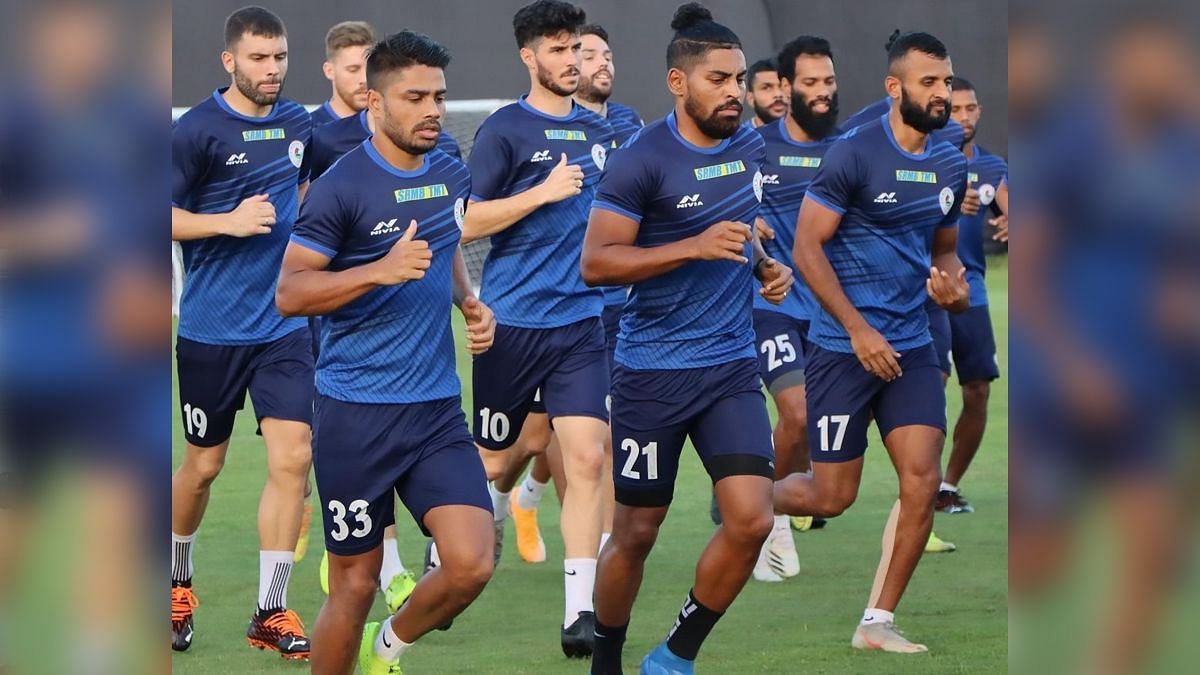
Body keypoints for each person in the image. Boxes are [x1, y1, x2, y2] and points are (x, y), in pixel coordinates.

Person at [275, 30, 499, 675]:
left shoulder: (449, 166)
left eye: (439, 96)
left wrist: (467, 300)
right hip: (356, 416)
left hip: (435, 412)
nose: (432, 109)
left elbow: (445, 237)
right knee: (354, 582)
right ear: (375, 101)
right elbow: (290, 291)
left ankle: (386, 648)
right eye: (415, 97)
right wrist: (379, 270)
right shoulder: (342, 187)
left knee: (472, 562)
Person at [582, 5, 793, 673]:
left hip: (730, 365)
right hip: (651, 372)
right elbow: (598, 261)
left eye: (739, 79)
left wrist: (765, 263)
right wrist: (692, 246)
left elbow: (746, 218)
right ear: (679, 81)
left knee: (752, 519)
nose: (734, 92)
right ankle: (605, 657)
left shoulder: (750, 145)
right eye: (718, 79)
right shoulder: (639, 160)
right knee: (637, 532)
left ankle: (674, 656)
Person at [773, 31, 969, 653]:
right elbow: (806, 248)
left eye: (947, 82)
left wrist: (954, 291)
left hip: (910, 346)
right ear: (895, 87)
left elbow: (945, 252)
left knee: (921, 480)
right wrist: (857, 330)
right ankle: (748, 499)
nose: (942, 94)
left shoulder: (950, 161)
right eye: (929, 83)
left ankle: (876, 623)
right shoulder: (854, 155)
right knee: (833, 495)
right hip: (840, 349)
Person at [458, 0, 613, 657]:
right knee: (493, 458)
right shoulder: (504, 132)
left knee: (588, 457)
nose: (571, 61)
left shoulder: (604, 131)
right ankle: (447, 554)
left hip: (582, 324)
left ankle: (580, 611)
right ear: (529, 56)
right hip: (513, 326)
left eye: (575, 47)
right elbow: (462, 222)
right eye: (556, 50)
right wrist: (540, 193)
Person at [170, 5, 314, 659]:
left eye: (280, 56)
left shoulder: (298, 123)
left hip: (283, 328)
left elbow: (304, 197)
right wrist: (225, 223)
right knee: (204, 467)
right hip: (210, 331)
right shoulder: (196, 130)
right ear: (230, 61)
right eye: (258, 58)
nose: (272, 69)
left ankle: (271, 608)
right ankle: (175, 581)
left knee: (292, 457)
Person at [505, 21, 645, 566]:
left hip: (619, 307)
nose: (600, 63)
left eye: (606, 54)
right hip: (552, 310)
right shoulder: (534, 131)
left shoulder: (629, 125)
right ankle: (499, 501)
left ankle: (592, 562)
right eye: (585, 54)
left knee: (592, 440)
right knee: (536, 437)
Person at [746, 34, 842, 583]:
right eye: (810, 83)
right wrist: (749, 225)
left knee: (815, 440)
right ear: (784, 88)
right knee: (798, 412)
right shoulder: (755, 148)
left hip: (831, 312)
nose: (822, 92)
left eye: (828, 81)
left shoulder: (847, 149)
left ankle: (762, 502)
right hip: (773, 305)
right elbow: (724, 202)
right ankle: (767, 522)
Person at [936, 76, 1007, 513]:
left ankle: (945, 486)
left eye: (971, 108)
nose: (964, 117)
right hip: (927, 290)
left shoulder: (992, 167)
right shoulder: (924, 162)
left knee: (977, 390)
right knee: (930, 387)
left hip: (972, 292)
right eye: (955, 109)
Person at [310, 21, 375, 127]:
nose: (365, 79)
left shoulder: (391, 128)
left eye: (370, 69)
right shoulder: (310, 132)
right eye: (353, 70)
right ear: (329, 71)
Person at [745, 57, 787, 127]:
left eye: (783, 86)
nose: (778, 94)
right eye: (766, 88)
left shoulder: (809, 133)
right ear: (751, 99)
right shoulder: (739, 137)